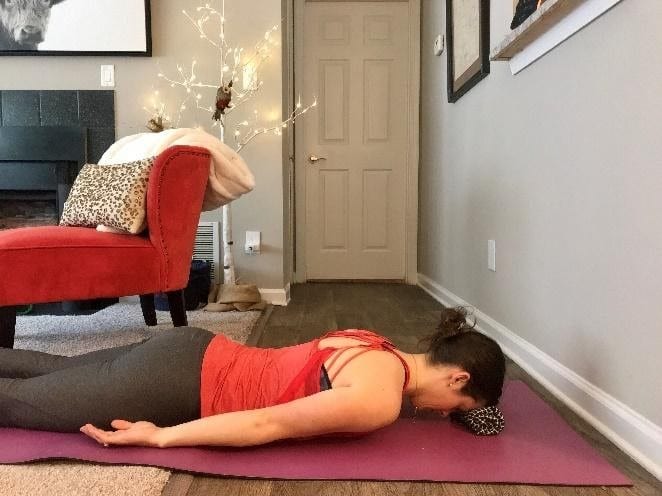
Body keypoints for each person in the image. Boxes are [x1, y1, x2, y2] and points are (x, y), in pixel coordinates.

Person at [0, 306, 505, 448]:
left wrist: (480, 415)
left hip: (194, 347)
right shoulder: (380, 399)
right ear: (458, 378)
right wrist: (160, 438)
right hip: (178, 386)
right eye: (456, 407)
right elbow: (268, 425)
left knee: (54, 367)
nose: (440, 415)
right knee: (21, 405)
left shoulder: (377, 344)